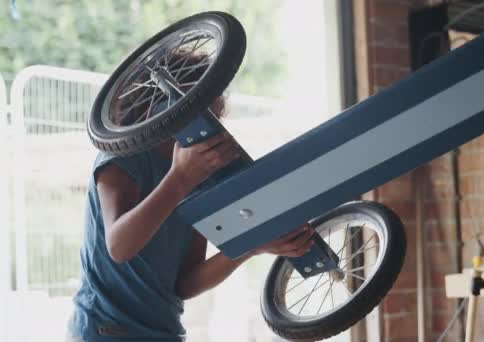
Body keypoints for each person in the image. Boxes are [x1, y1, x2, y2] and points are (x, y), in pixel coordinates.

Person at [67, 51, 315, 341]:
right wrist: (180, 178)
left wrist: (251, 246)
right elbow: (119, 246)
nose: (211, 112)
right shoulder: (124, 154)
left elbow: (185, 283)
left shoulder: (199, 174)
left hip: (164, 332)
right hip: (107, 330)